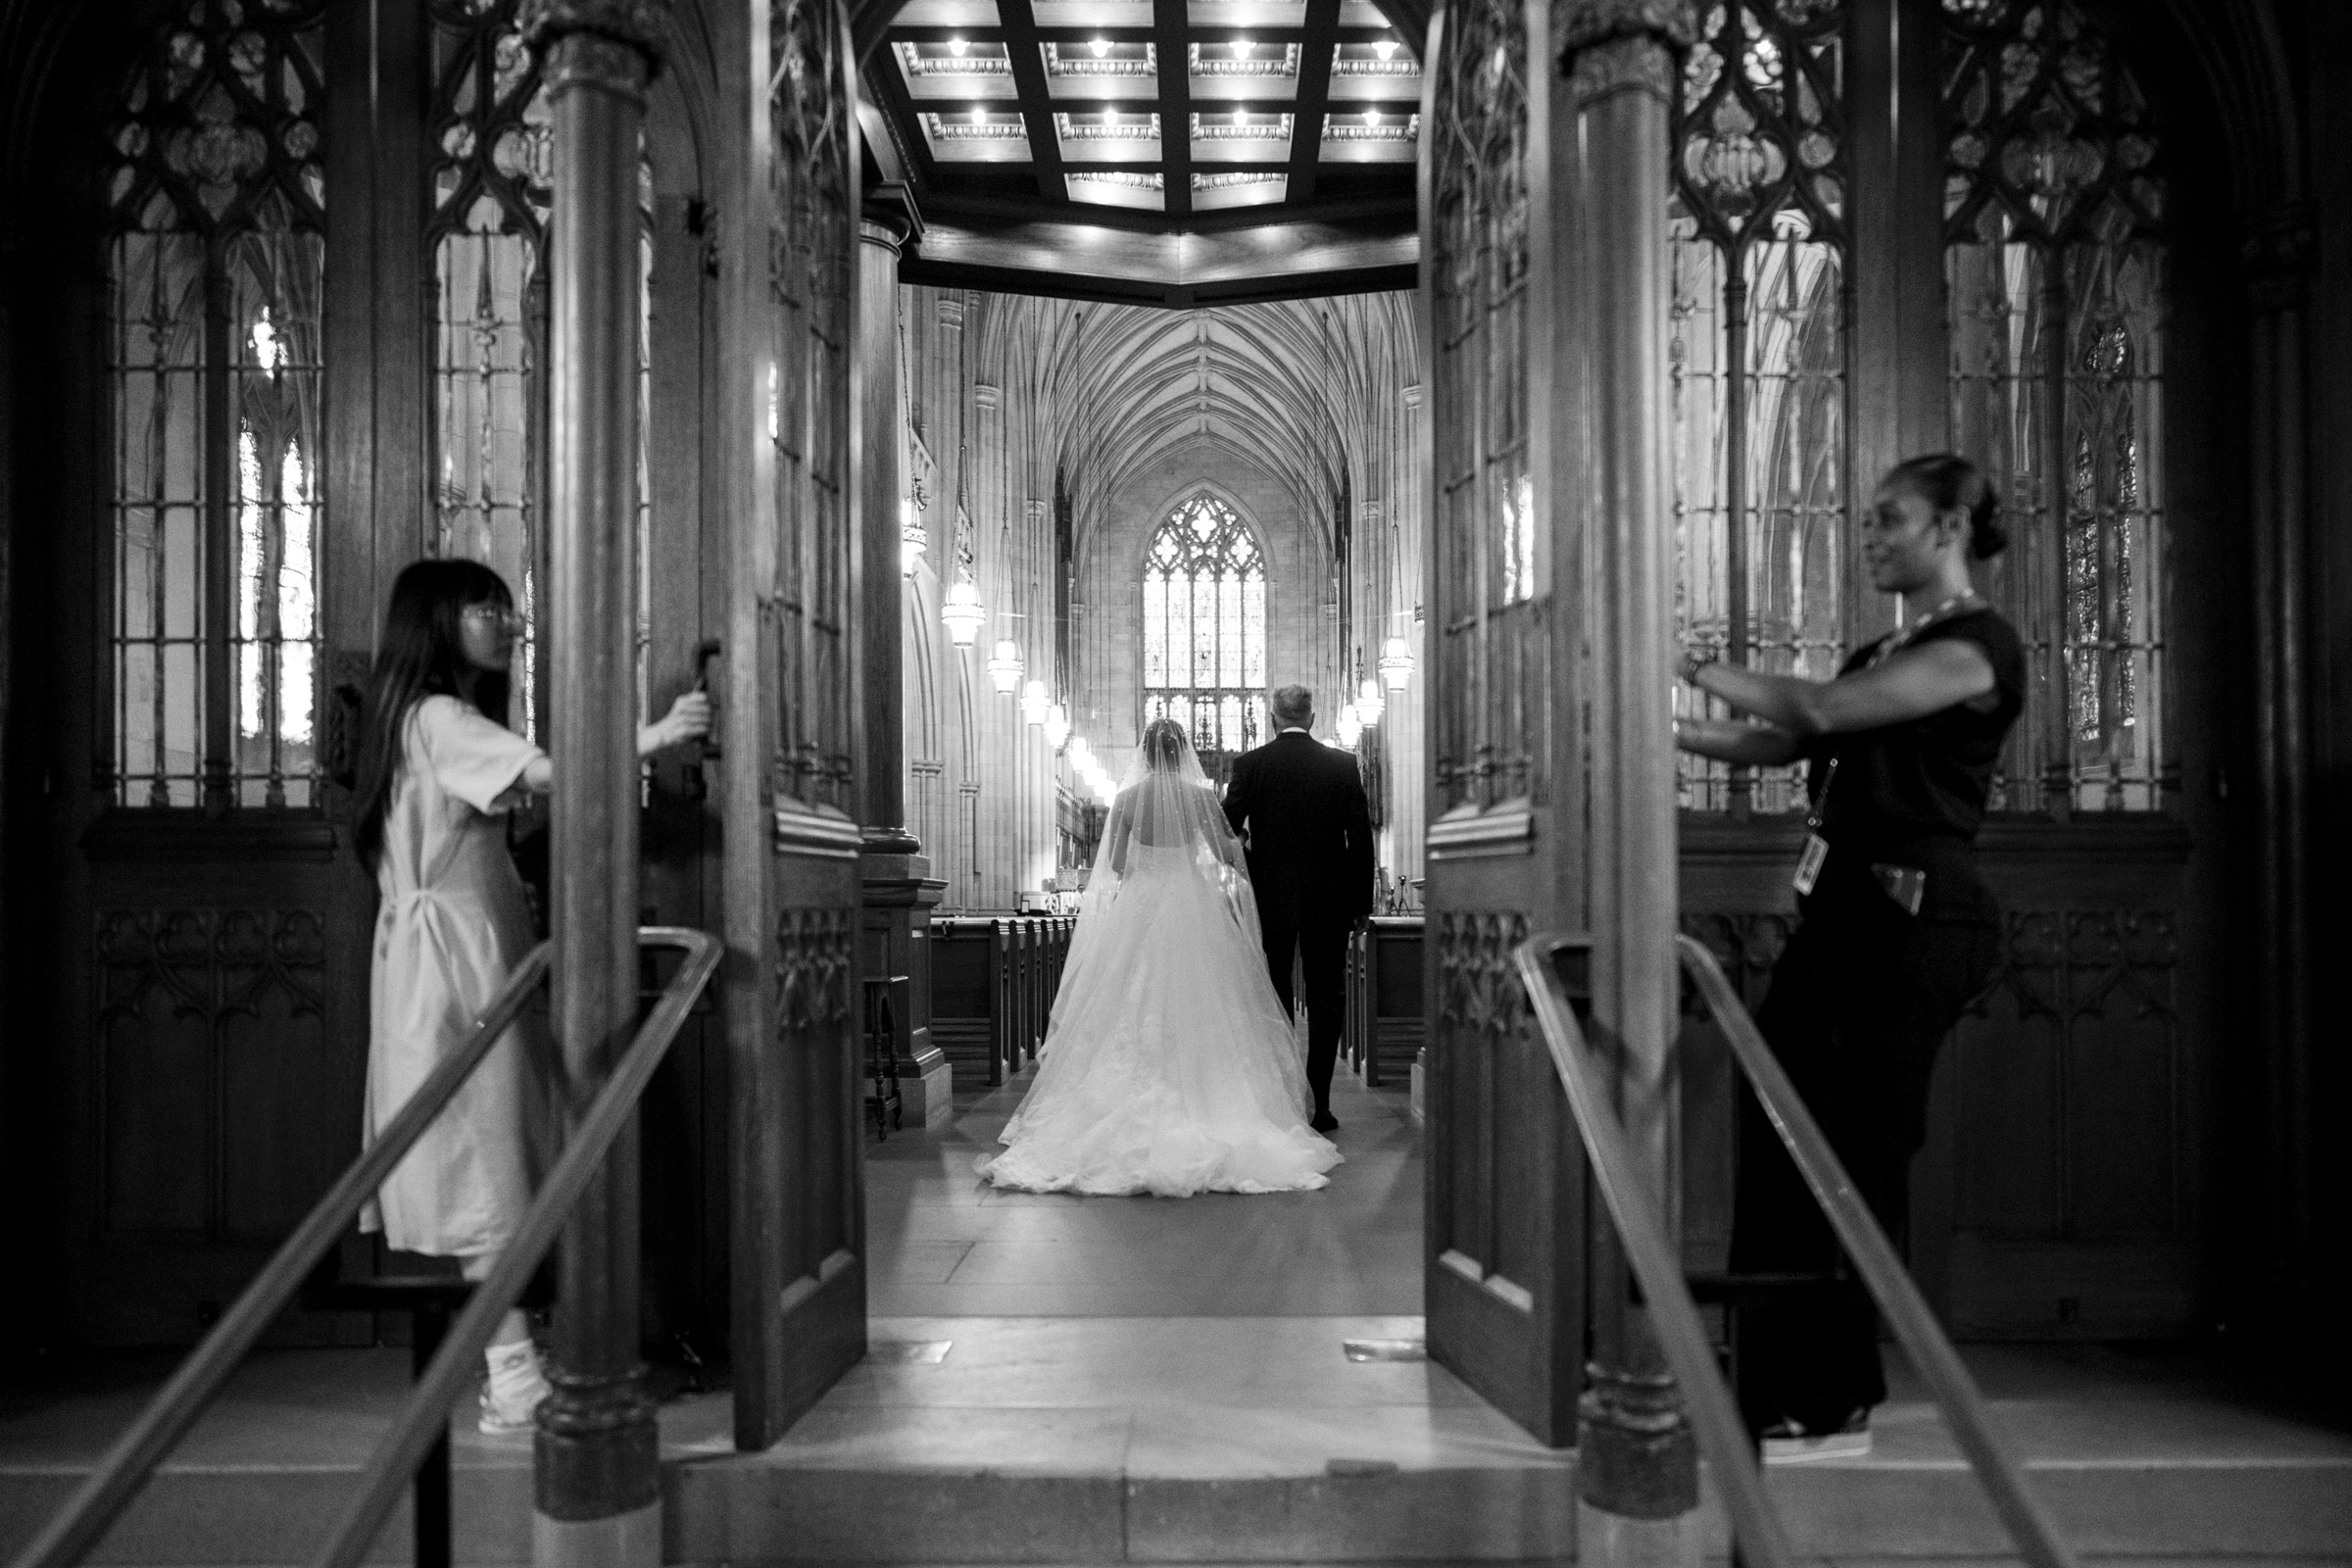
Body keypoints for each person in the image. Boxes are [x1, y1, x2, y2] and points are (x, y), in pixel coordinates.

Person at [1672, 454, 2023, 1463]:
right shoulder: (1886, 644)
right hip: (1840, 919)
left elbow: (1821, 713)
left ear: (1952, 525)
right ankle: (1766, 1377)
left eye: (1890, 519)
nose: (1870, 535)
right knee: (1777, 1135)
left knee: (1854, 1156)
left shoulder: (1977, 645)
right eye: (1867, 520)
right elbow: (1786, 748)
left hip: (1917, 922)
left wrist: (1692, 666)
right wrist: (1662, 728)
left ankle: (1831, 1398)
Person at [353, 559, 709, 1433]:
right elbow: (549, 774)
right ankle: (512, 1374)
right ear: (436, 620)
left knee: (490, 1151)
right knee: (480, 1156)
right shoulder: (436, 717)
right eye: (485, 607)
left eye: (506, 609)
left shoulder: (427, 719)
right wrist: (655, 736)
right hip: (452, 969)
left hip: (451, 957)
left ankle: (511, 1360)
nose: (504, 623)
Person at [976, 717, 1342, 1196]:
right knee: (1207, 1003)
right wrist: (1242, 850)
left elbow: (1115, 864)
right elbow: (1223, 852)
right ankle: (1214, 1103)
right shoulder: (1199, 797)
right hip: (1194, 906)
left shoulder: (1127, 799)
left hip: (1141, 907)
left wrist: (1149, 870)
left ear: (1146, 753)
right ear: (1183, 751)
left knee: (1128, 999)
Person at [1220, 684, 1377, 1132]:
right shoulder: (1342, 765)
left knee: (1275, 995)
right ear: (1312, 718)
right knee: (1328, 999)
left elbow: (1224, 828)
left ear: (1273, 719)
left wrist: (1251, 861)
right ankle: (1321, 1103)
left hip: (1272, 900)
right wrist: (1360, 903)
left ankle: (1285, 1099)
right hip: (1330, 901)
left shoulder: (1251, 766)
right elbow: (1360, 839)